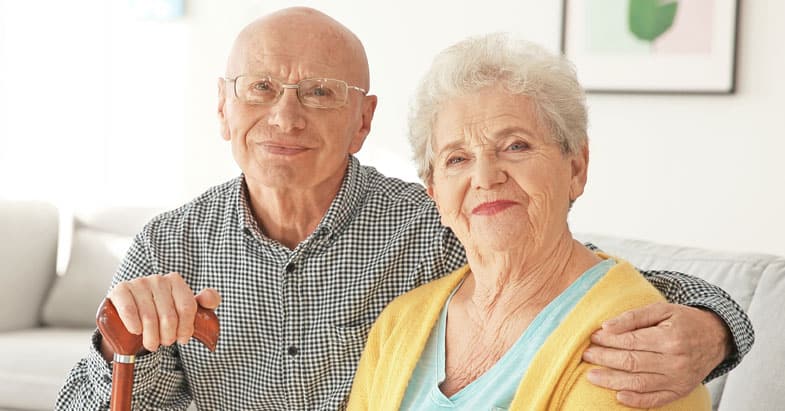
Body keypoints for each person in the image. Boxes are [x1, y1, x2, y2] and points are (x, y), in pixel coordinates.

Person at [56, 7, 751, 410]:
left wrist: (715, 326)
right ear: (222, 108)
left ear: (363, 121)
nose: (284, 117)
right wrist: (122, 345)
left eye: (319, 93)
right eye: (260, 87)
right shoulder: (169, 243)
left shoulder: (436, 222)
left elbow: (568, 283)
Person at [347, 34, 712, 410]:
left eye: (515, 146)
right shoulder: (400, 322)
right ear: (434, 192)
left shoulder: (633, 340)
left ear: (576, 167)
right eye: (457, 158)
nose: (486, 177)